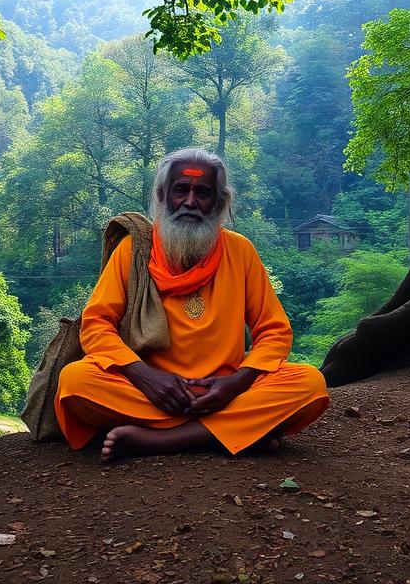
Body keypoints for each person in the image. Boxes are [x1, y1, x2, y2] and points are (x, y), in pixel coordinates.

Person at [55, 147, 330, 461]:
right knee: (76, 381)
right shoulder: (134, 250)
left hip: (224, 393)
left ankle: (164, 439)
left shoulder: (240, 251)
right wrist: (145, 376)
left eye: (203, 193)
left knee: (309, 383)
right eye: (180, 190)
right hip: (152, 392)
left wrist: (236, 383)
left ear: (219, 202)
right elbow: (96, 325)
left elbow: (274, 332)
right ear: (163, 195)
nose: (190, 202)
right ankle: (235, 431)